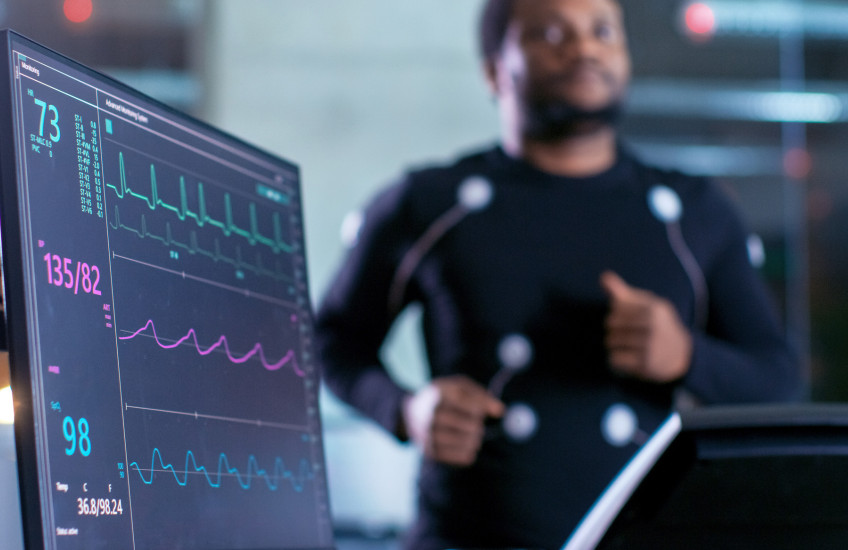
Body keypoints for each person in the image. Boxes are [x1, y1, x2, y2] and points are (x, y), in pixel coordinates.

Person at [314, 0, 802, 548]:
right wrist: (405, 409)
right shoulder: (427, 203)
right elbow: (330, 341)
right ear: (494, 70)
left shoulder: (695, 212)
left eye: (602, 32)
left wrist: (688, 356)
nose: (585, 47)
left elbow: (780, 378)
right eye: (550, 33)